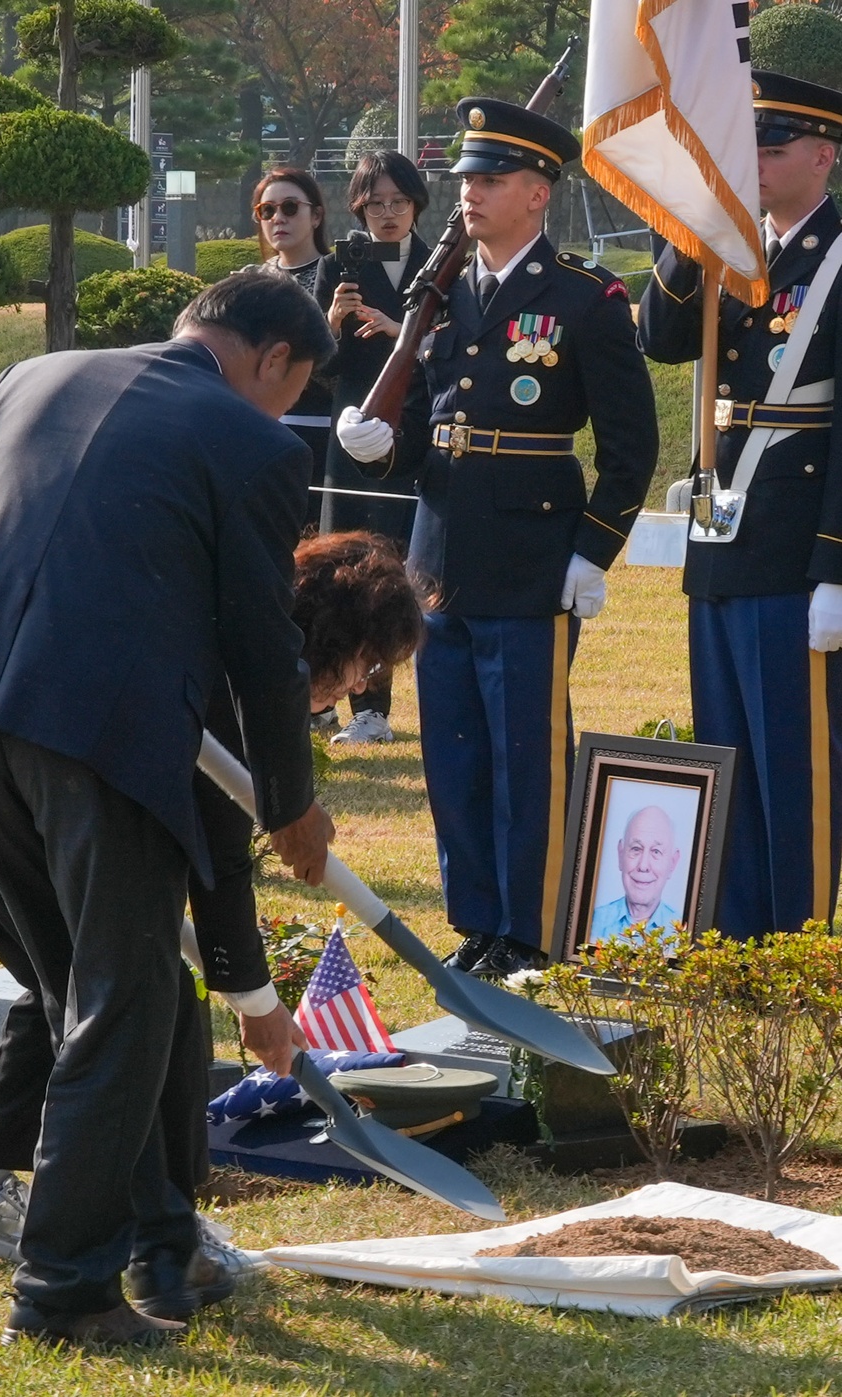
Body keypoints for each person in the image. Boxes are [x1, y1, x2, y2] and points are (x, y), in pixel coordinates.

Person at [0, 270, 337, 1349]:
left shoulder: (31, 373)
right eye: (290, 387)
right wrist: (290, 801)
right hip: (99, 739)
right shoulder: (255, 444)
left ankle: (165, 1243)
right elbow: (262, 651)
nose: (279, 409)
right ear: (272, 356)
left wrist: (27, 597)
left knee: (88, 994)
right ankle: (62, 1295)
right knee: (119, 1009)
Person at [0, 532, 426, 1300]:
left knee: (89, 989)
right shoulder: (226, 675)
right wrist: (255, 1001)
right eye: (368, 662)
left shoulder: (207, 635)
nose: (364, 682)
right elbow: (218, 857)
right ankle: (169, 1236)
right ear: (335, 639)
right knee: (143, 998)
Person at [338, 98, 659, 979]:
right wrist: (380, 444)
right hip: (440, 557)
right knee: (455, 751)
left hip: (531, 557)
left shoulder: (585, 298)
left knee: (527, 755)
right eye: (467, 179)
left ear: (538, 193)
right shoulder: (445, 294)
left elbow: (632, 447)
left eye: (490, 180)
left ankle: (534, 926)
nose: (469, 194)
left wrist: (594, 550)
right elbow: (435, 424)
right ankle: (478, 918)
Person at [638, 71, 842, 942]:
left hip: (795, 547)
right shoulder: (734, 244)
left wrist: (835, 565)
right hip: (720, 536)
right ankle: (738, 931)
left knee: (792, 760)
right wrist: (691, 232)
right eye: (745, 144)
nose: (753, 161)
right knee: (727, 746)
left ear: (824, 155)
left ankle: (793, 936)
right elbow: (662, 337)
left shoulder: (835, 253)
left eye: (772, 146)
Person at [314, 151, 432, 745]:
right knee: (348, 566)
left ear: (417, 205)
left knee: (402, 563)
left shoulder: (444, 261)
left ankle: (381, 704)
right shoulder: (340, 262)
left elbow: (458, 347)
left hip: (415, 426)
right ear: (358, 207)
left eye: (399, 202)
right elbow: (318, 368)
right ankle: (353, 702)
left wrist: (401, 332)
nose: (388, 215)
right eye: (375, 203)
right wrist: (329, 322)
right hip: (352, 429)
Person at [252, 167, 334, 531]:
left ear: (316, 215)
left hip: (326, 431)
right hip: (262, 429)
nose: (277, 219)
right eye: (266, 211)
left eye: (289, 207)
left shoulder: (341, 274)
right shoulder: (249, 281)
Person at [588, 805, 682, 944]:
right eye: (636, 849)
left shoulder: (683, 931)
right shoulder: (591, 922)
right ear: (620, 855)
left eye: (656, 851)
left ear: (672, 863)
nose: (643, 866)